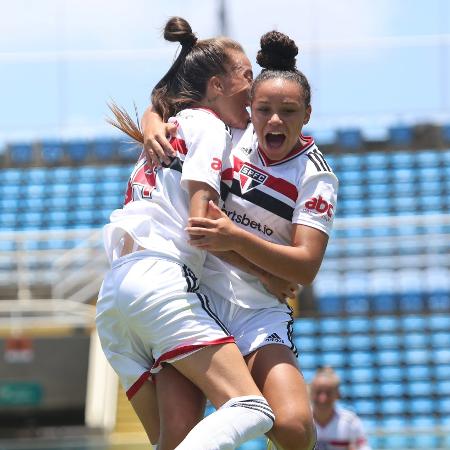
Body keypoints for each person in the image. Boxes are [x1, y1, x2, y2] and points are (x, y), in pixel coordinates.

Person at [142, 30, 339, 450]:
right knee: (177, 436)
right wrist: (151, 123)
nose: (274, 120)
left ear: (307, 113)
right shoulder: (229, 133)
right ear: (249, 107)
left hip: (258, 310)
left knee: (294, 428)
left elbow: (305, 266)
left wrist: (235, 238)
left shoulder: (315, 175)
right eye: (263, 109)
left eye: (288, 111)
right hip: (197, 295)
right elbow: (167, 103)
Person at [96, 16, 275, 450]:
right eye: (247, 76)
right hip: (161, 282)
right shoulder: (208, 127)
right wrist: (266, 272)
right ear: (216, 85)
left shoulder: (167, 129)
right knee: (252, 408)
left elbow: (158, 110)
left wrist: (152, 114)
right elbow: (201, 225)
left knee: (173, 442)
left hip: (114, 300)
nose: (254, 90)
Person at [310, 367, 372, 450]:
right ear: (310, 393)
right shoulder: (302, 421)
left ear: (338, 394)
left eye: (328, 393)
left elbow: (364, 447)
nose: (322, 399)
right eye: (318, 392)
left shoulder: (351, 422)